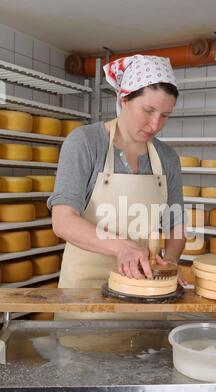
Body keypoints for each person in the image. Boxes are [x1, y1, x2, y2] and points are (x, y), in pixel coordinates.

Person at [48, 54, 186, 319]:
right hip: (85, 299)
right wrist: (122, 247)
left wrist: (169, 262)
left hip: (145, 296)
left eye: (165, 115)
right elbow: (63, 221)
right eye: (148, 111)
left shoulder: (168, 159)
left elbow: (175, 225)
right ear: (124, 99)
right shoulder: (86, 142)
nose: (155, 125)